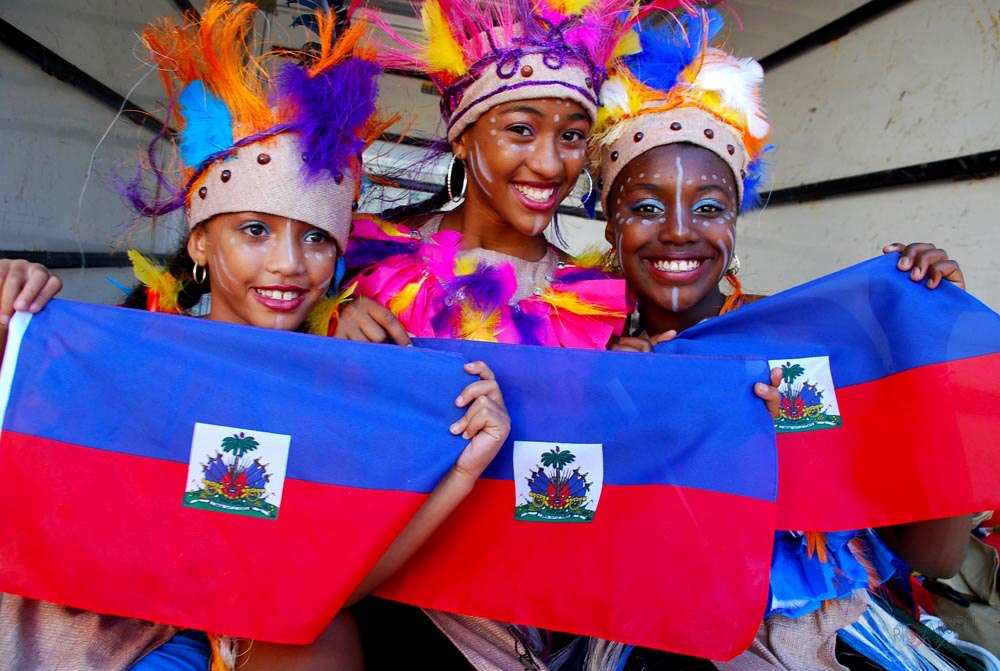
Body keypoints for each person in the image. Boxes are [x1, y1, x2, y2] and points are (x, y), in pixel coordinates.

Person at [0, 3, 510, 670]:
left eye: (316, 239)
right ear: (201, 241)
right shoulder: (124, 357)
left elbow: (339, 585)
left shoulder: (348, 381)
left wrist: (468, 465)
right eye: (255, 230)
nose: (288, 266)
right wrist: (15, 318)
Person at [591, 10, 974, 670]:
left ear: (735, 224)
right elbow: (558, 530)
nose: (679, 230)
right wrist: (622, 418)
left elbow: (935, 555)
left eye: (709, 206)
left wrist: (931, 357)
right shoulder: (582, 358)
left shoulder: (808, 350)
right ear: (609, 225)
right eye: (646, 206)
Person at [339, 0, 647, 349]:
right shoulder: (369, 263)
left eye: (571, 136)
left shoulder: (593, 313)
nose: (549, 165)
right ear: (461, 140)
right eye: (520, 130)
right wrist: (330, 330)